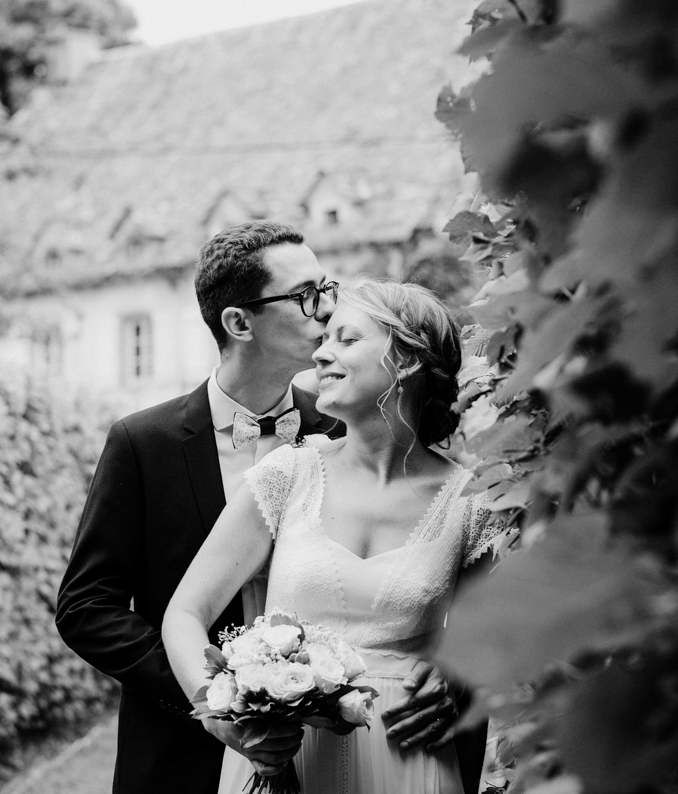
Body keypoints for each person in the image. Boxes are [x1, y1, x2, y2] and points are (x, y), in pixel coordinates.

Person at [56, 224, 472, 794]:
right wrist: (228, 697)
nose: (325, 313)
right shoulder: (142, 441)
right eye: (307, 296)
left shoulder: (346, 422)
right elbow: (87, 605)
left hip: (383, 747)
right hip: (188, 746)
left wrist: (454, 668)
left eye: (328, 290)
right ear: (239, 323)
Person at [163, 280, 501, 794]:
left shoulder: (472, 503)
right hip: (287, 760)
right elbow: (185, 613)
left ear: (406, 359)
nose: (320, 353)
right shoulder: (288, 474)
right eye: (326, 339)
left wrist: (457, 672)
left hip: (408, 761)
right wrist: (218, 712)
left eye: (346, 339)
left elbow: (495, 640)